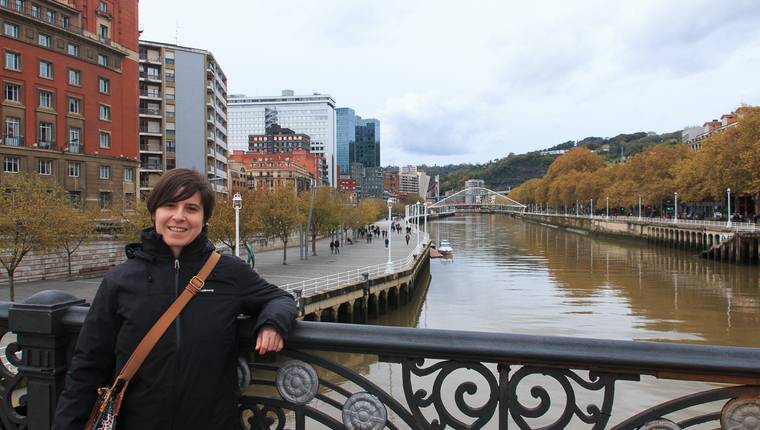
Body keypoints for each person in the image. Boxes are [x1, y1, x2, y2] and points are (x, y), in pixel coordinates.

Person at [53, 169, 297, 430]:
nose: (179, 216)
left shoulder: (228, 272)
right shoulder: (121, 280)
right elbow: (88, 365)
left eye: (191, 208)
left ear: (204, 219)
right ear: (154, 213)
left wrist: (272, 323)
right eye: (169, 205)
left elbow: (279, 298)